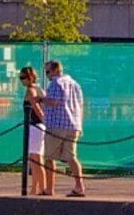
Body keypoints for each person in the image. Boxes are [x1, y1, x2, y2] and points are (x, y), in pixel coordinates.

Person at [44, 60, 87, 199]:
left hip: (57, 125)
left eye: (48, 72)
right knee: (72, 157)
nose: (47, 75)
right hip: (73, 125)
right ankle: (79, 186)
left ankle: (49, 189)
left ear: (55, 70)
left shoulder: (56, 83)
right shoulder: (75, 84)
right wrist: (80, 125)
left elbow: (54, 101)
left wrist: (41, 99)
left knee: (49, 157)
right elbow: (81, 105)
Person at [16, 62, 49, 195]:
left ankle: (42, 188)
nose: (21, 80)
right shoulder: (40, 89)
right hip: (38, 126)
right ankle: (35, 188)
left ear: (30, 77)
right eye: (20, 78)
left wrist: (45, 122)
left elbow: (38, 110)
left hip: (35, 126)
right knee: (34, 159)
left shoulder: (31, 91)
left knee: (36, 159)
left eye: (23, 77)